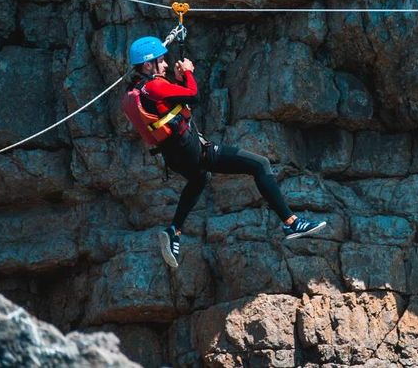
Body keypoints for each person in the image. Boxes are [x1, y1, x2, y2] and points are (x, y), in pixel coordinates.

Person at [121, 35, 326, 268]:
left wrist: (178, 81)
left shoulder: (137, 91)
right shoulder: (154, 86)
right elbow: (193, 95)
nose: (166, 64)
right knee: (260, 165)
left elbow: (169, 103)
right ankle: (291, 222)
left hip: (174, 157)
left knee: (199, 179)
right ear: (148, 65)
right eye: (161, 60)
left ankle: (174, 231)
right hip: (192, 151)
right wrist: (188, 72)